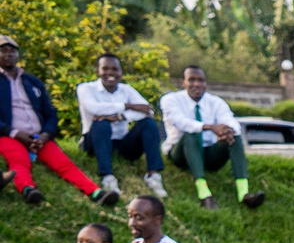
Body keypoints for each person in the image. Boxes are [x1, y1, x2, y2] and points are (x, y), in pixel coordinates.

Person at [0, 34, 102, 205]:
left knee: (63, 163)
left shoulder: (32, 81)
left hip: (40, 137)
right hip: (9, 136)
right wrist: (15, 133)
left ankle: (95, 192)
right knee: (18, 159)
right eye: (3, 51)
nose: (8, 54)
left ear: (18, 55)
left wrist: (46, 134)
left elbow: (50, 112)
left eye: (12, 51)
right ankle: (28, 189)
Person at [155, 65, 258, 209]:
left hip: (208, 154)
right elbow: (181, 122)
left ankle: (244, 193)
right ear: (182, 83)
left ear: (206, 83)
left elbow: (230, 120)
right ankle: (204, 193)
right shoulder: (170, 100)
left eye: (201, 80)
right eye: (191, 80)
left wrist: (226, 131)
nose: (197, 84)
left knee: (234, 136)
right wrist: (209, 127)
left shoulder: (216, 102)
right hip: (180, 154)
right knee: (191, 134)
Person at [73, 51, 162, 203]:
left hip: (122, 143)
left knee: (149, 123)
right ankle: (107, 177)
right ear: (98, 71)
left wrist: (121, 116)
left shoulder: (126, 90)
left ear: (121, 72)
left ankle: (153, 175)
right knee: (101, 123)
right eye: (105, 68)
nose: (110, 73)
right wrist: (127, 106)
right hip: (94, 141)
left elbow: (148, 110)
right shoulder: (86, 88)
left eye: (115, 69)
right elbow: (94, 109)